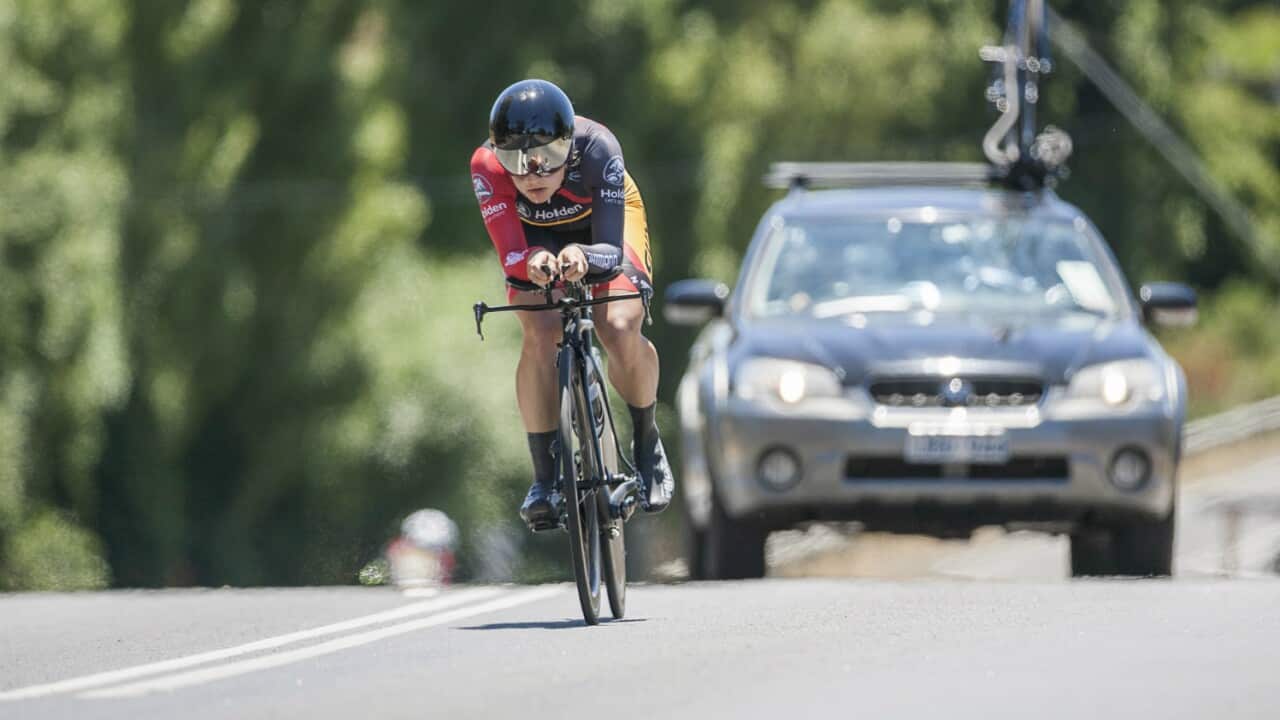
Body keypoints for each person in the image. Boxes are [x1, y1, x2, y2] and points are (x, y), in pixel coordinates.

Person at [470, 79, 674, 528]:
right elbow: (511, 257)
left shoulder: (598, 147)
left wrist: (583, 256)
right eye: (518, 165)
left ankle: (646, 441)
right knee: (540, 335)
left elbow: (611, 252)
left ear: (568, 147)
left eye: (546, 161)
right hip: (535, 242)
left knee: (618, 325)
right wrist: (534, 261)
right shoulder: (486, 166)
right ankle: (543, 479)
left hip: (601, 234)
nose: (533, 176)